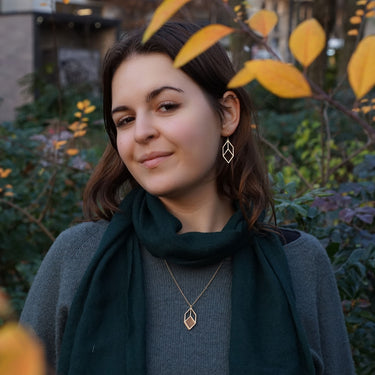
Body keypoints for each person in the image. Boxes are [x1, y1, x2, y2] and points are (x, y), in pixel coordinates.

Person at [20, 22, 355, 375]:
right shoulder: (77, 258)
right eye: (125, 119)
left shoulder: (300, 264)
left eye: (166, 106)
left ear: (226, 113)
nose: (143, 132)